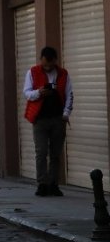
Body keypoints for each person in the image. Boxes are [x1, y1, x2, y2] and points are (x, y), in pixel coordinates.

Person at [23, 46, 73, 197]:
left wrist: (66, 114)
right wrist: (38, 92)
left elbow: (69, 94)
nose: (48, 67)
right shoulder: (32, 72)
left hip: (58, 118)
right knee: (41, 151)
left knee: (56, 153)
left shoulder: (63, 73)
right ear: (41, 60)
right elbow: (26, 93)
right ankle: (42, 184)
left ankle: (53, 184)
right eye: (45, 65)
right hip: (40, 119)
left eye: (50, 65)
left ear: (55, 61)